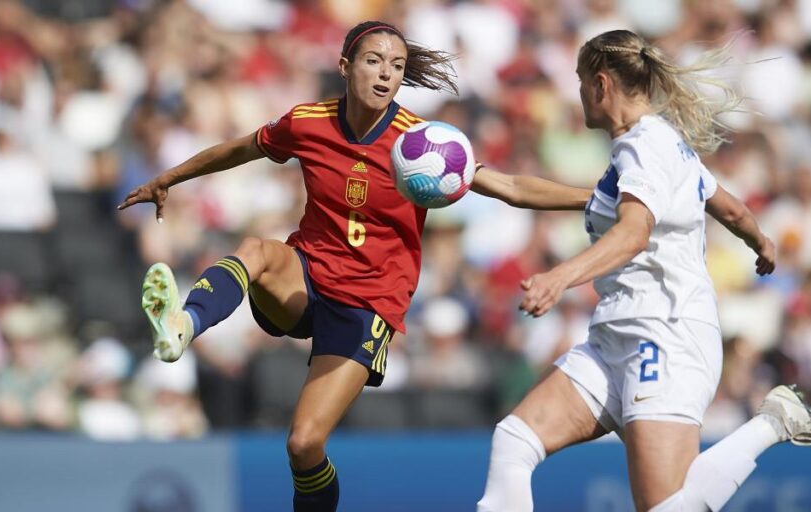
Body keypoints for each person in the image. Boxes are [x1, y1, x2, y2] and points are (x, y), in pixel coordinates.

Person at [118, 21, 590, 512]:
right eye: (373, 61)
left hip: (367, 306)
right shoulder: (307, 121)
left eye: (398, 66)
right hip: (304, 276)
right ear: (345, 66)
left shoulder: (422, 144)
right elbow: (241, 149)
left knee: (303, 444)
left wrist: (597, 197)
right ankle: (183, 324)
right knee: (256, 249)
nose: (386, 74)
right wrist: (170, 178)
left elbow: (511, 187)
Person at [476, 30, 811, 512]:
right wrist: (760, 240)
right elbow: (729, 209)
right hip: (615, 336)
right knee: (514, 440)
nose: (579, 93)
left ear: (602, 84)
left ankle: (775, 422)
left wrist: (558, 277)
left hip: (666, 332)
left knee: (664, 509)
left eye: (580, 81)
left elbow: (634, 233)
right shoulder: (657, 148)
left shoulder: (644, 147)